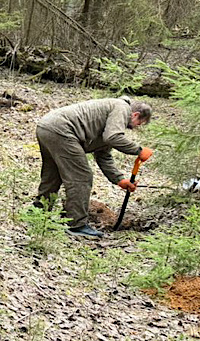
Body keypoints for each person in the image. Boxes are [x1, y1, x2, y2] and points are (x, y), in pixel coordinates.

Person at [34, 97, 153, 238]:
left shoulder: (109, 117)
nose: (137, 126)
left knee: (52, 175)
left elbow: (103, 155)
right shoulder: (122, 108)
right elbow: (113, 137)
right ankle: (76, 225)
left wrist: (120, 180)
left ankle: (38, 213)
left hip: (46, 127)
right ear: (135, 115)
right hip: (62, 130)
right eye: (140, 123)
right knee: (81, 177)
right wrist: (138, 150)